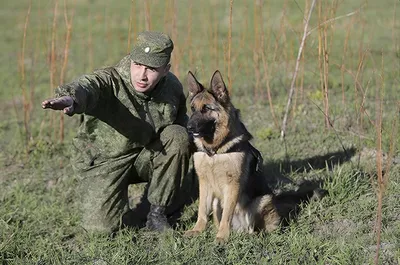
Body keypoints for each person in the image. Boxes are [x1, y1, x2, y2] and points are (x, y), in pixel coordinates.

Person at [42, 31, 195, 233]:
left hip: (144, 156)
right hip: (105, 161)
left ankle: (157, 213)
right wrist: (71, 98)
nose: (142, 75)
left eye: (151, 69)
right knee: (100, 229)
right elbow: (88, 86)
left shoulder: (172, 88)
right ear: (131, 60)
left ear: (165, 70)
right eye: (138, 65)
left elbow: (182, 125)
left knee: (178, 135)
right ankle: (119, 205)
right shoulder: (110, 80)